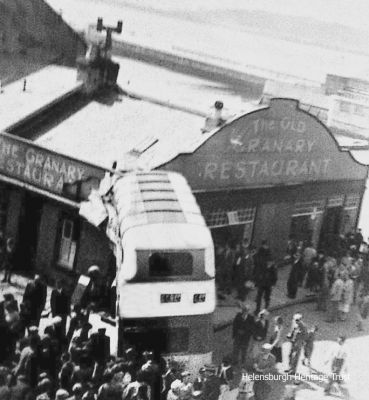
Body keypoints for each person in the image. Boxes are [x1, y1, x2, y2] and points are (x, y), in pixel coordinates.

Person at [253, 241, 276, 314]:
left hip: (268, 283)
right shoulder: (261, 254)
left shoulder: (270, 258)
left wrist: (273, 283)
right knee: (259, 296)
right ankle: (258, 309)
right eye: (264, 245)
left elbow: (275, 275)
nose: (265, 246)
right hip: (262, 281)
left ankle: (265, 309)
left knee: (266, 297)